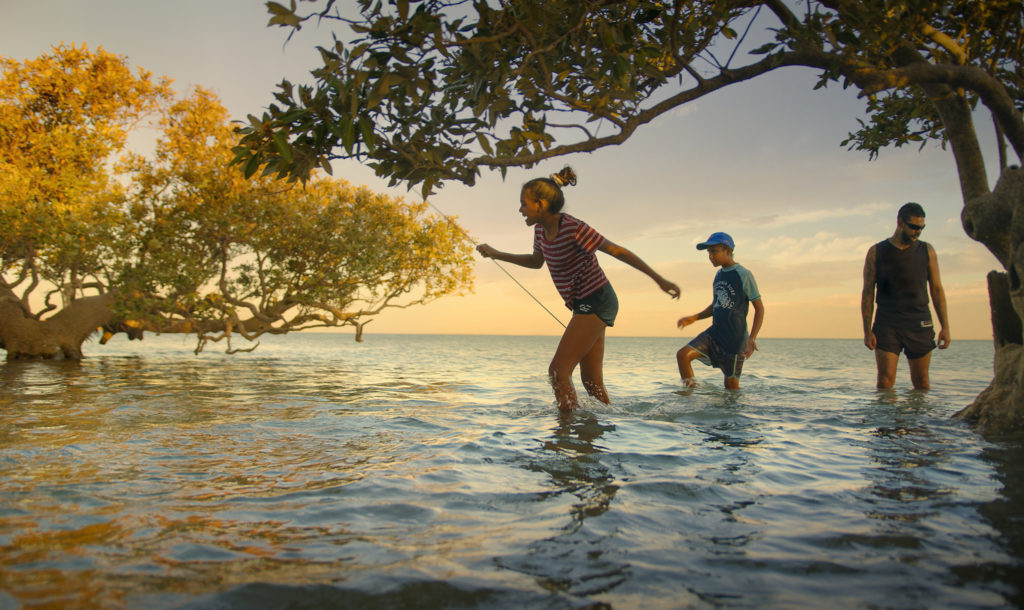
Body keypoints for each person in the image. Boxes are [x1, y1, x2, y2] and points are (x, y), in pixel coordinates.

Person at [476, 166, 680, 410]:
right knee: (591, 381)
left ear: (540, 205)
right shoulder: (540, 229)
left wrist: (659, 280)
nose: (520, 210)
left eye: (523, 204)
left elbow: (617, 251)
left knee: (557, 371)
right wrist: (497, 254)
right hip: (583, 303)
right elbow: (536, 261)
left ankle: (566, 433)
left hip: (597, 299)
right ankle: (599, 432)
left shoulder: (574, 228)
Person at [862, 202, 950, 390]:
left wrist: (946, 327)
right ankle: (885, 419)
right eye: (914, 227)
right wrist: (867, 329)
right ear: (900, 222)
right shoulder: (877, 251)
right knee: (884, 382)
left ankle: (920, 420)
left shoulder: (927, 251)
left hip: (919, 322)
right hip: (887, 323)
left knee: (921, 382)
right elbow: (868, 292)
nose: (918, 232)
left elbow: (937, 289)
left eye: (922, 228)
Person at [676, 232, 764, 389]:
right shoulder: (719, 274)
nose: (710, 256)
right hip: (714, 334)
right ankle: (688, 397)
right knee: (683, 355)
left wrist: (752, 338)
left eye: (714, 251)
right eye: (709, 252)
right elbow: (716, 305)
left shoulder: (743, 274)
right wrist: (694, 317)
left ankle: (733, 413)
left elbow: (759, 308)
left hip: (735, 340)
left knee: (730, 389)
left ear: (728, 251)